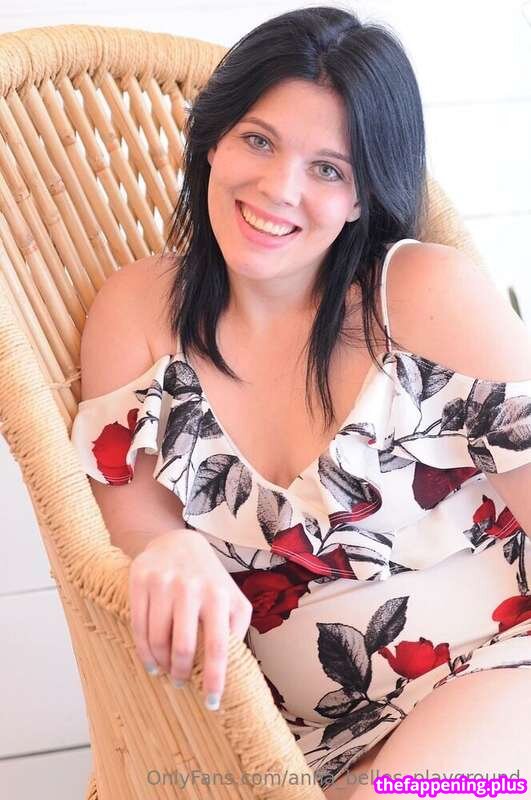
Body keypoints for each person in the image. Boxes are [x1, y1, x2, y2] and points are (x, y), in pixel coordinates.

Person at [70, 5, 531, 795]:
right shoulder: (139, 312)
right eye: (258, 140)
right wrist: (168, 547)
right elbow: (130, 521)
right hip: (310, 752)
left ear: (361, 196)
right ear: (212, 140)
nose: (278, 189)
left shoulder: (422, 294)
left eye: (328, 169)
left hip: (501, 681)